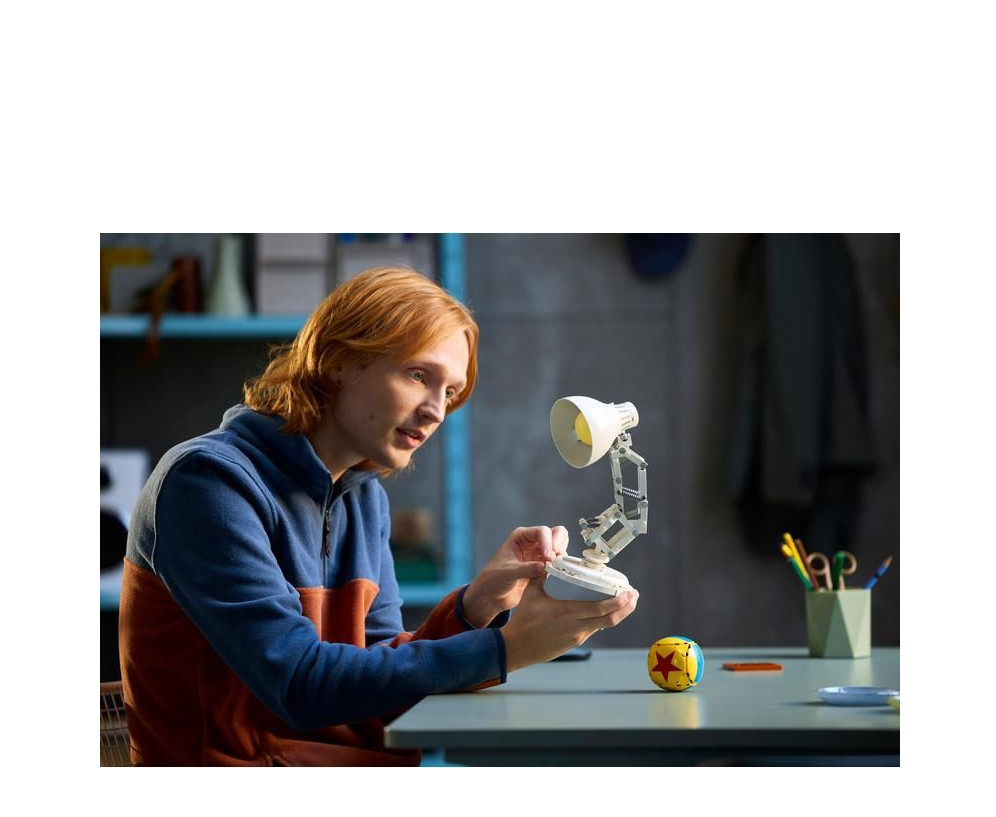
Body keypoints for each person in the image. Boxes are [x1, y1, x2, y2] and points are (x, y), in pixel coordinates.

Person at [119, 266, 639, 765]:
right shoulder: (208, 483)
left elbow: (378, 673)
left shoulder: (363, 496)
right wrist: (506, 648)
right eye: (418, 375)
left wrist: (477, 606)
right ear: (339, 360)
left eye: (450, 392)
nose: (437, 410)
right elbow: (300, 683)